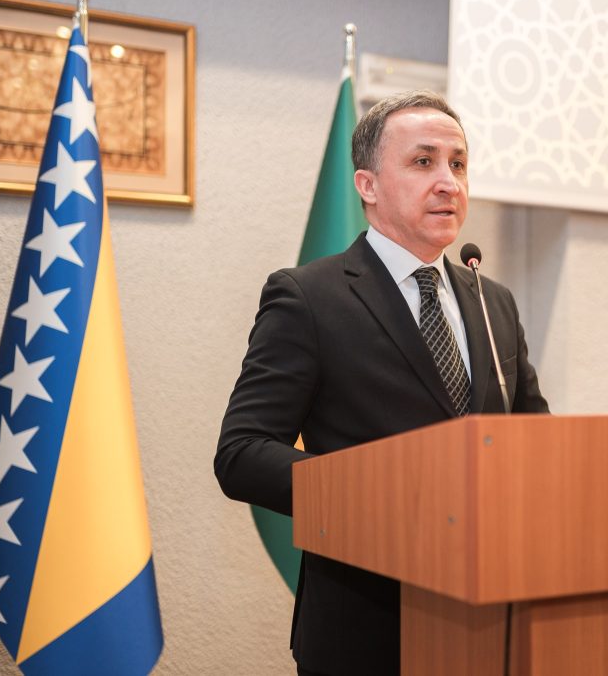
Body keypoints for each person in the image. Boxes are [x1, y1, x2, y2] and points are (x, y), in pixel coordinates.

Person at [215, 90, 549, 676]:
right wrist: (380, 494)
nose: (448, 182)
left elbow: (536, 442)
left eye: (458, 163)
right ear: (367, 185)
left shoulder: (492, 300)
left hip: (491, 619)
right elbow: (242, 454)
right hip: (365, 625)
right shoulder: (309, 297)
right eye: (423, 162)